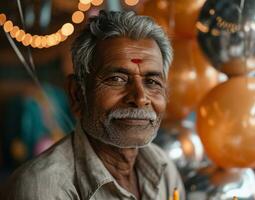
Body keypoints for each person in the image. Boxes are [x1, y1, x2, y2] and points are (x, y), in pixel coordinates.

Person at [2, 10, 185, 200]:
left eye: (152, 82)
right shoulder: (42, 189)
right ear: (77, 94)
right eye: (117, 79)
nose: (140, 98)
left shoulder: (164, 169)